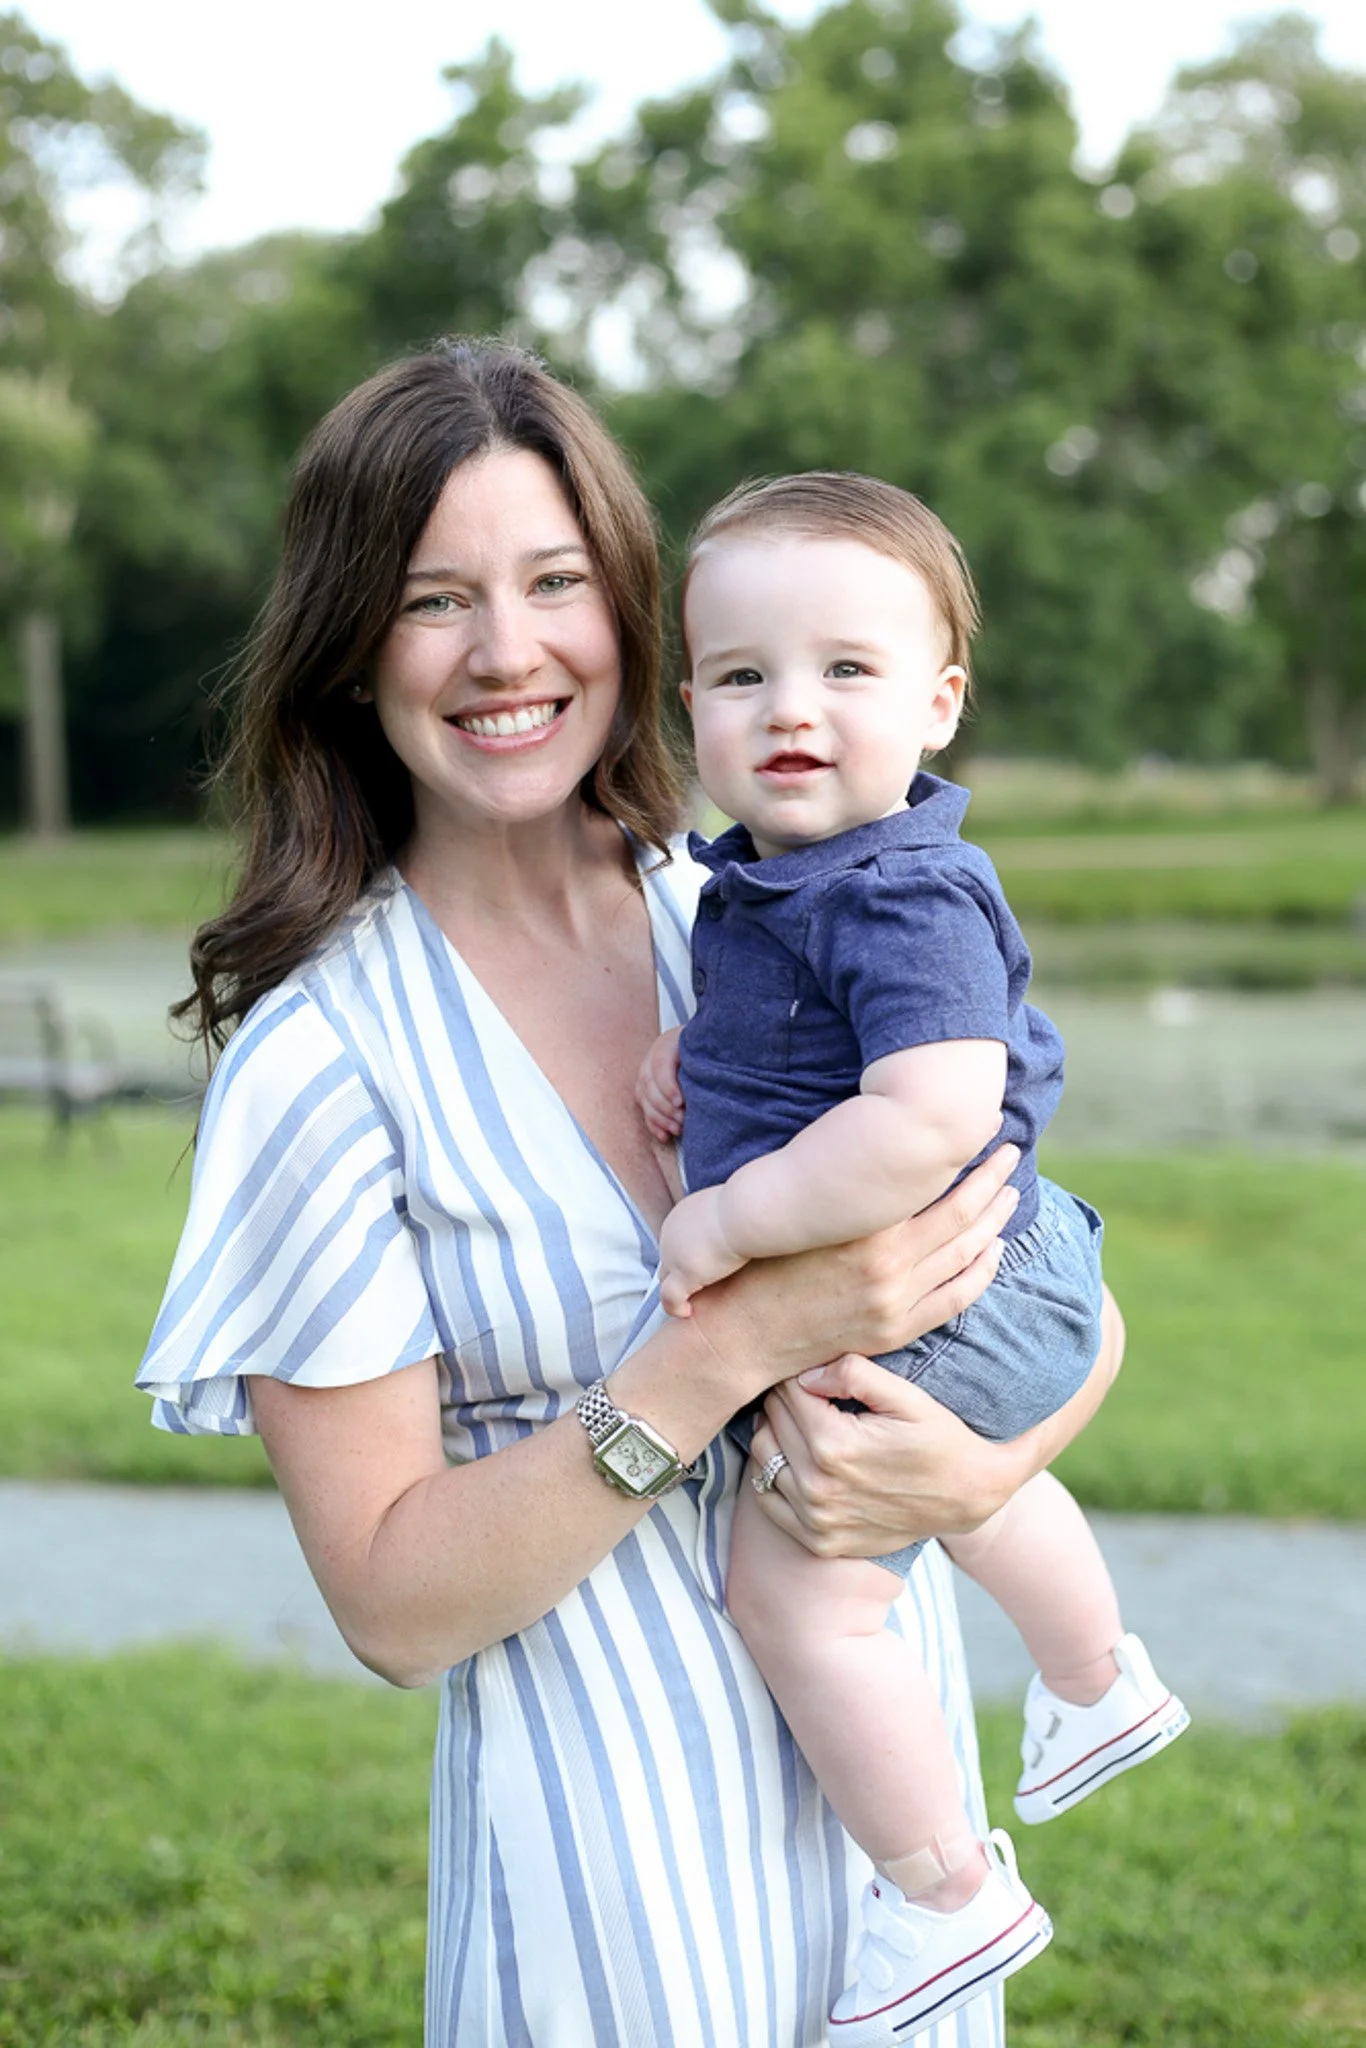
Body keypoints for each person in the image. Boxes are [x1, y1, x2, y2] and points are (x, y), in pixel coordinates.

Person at [137, 341, 1124, 2048]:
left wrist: (976, 1472)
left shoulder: (762, 898)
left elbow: (1053, 1294)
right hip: (609, 1896)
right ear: (349, 647)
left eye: (553, 582)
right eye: (432, 599)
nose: (504, 651)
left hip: (900, 1873)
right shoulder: (324, 1059)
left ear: (628, 612)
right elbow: (391, 1607)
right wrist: (722, 1352)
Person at [635, 471, 1188, 2046]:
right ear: (690, 705)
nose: (789, 708)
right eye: (741, 675)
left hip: (959, 1281)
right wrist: (696, 1058)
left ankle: (945, 1892)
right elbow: (800, 1047)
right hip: (989, 1279)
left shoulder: (902, 886)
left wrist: (729, 1216)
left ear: (938, 703)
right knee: (964, 1488)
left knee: (795, 1597)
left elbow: (928, 1112)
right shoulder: (776, 878)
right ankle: (1092, 1679)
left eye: (845, 669)